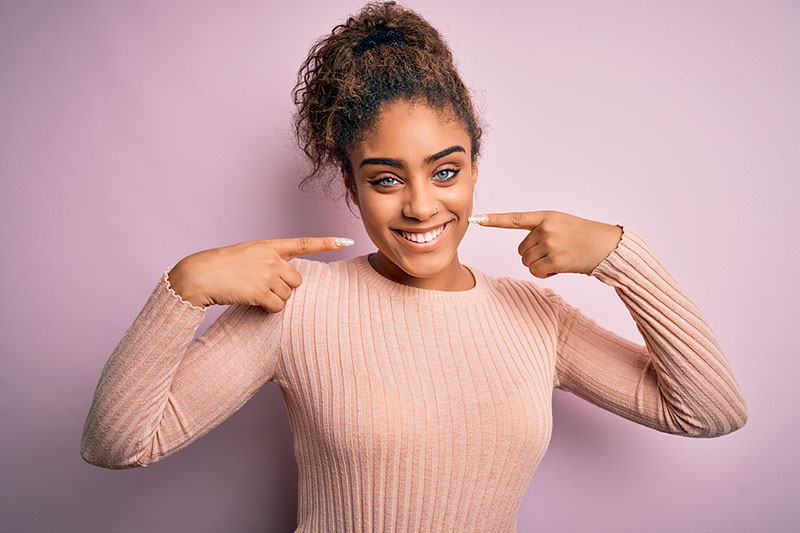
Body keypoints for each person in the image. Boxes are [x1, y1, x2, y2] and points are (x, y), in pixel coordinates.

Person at [80, 1, 748, 531]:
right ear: (350, 186)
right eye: (385, 179)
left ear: (474, 171)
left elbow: (709, 411)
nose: (422, 206)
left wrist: (620, 257)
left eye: (446, 171)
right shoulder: (298, 303)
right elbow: (119, 443)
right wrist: (183, 288)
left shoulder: (537, 318)